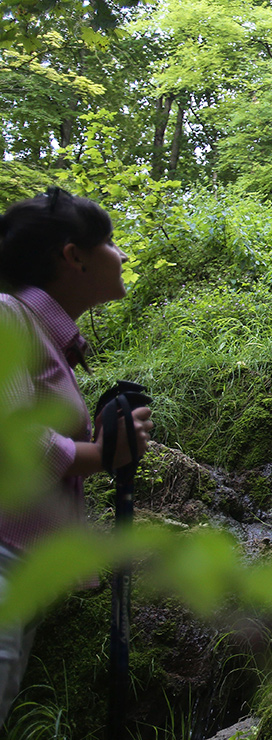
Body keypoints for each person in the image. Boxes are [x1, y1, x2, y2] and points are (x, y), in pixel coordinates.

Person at [0, 187, 153, 726]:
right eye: (110, 242)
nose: (123, 255)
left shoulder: (38, 333)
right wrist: (101, 452)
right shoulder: (6, 316)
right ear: (73, 255)